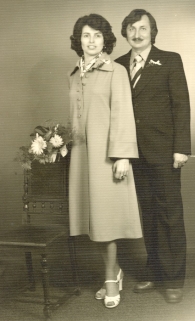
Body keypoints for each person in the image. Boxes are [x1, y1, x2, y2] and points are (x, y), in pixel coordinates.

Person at [115, 9, 191, 303]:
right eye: (131, 28)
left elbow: (181, 106)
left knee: (169, 215)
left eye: (142, 28)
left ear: (152, 32)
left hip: (164, 151)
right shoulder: (119, 65)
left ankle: (173, 280)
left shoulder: (170, 60)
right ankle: (156, 271)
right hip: (133, 154)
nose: (137, 33)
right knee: (147, 214)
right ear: (125, 33)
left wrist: (181, 147)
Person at [68, 13, 142, 308]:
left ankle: (110, 277)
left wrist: (122, 155)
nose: (91, 41)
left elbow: (122, 113)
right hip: (82, 157)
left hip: (107, 157)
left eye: (97, 36)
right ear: (78, 40)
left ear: (105, 40)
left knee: (106, 221)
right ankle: (114, 272)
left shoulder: (116, 71)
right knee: (92, 221)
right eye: (86, 35)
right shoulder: (74, 73)